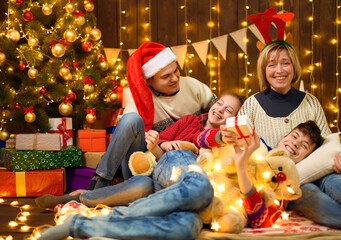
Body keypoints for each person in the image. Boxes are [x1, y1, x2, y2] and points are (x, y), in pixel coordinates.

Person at [37, 93, 245, 240]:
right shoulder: (190, 121)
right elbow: (156, 148)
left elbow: (209, 140)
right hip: (158, 166)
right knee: (132, 119)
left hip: (166, 191)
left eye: (229, 110)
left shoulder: (224, 142)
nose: (220, 110)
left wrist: (222, 137)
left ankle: (83, 212)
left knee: (185, 229)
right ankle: (96, 184)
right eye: (220, 103)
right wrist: (160, 144)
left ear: (234, 119)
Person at [240, 8, 341, 229]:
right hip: (289, 183)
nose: (279, 70)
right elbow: (241, 148)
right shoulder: (251, 105)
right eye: (272, 64)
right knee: (312, 197)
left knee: (337, 182)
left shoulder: (311, 101)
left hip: (319, 172)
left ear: (293, 67)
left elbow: (326, 142)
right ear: (264, 70)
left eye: (285, 63)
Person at [88, 42, 215, 190]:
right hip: (147, 164)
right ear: (149, 80)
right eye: (166, 76)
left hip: (187, 161)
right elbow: (123, 140)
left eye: (176, 71)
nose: (174, 78)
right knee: (130, 119)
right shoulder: (139, 102)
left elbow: (218, 113)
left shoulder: (194, 86)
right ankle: (99, 180)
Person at [233, 121, 325, 228]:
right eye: (294, 136)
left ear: (306, 158)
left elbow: (262, 220)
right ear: (284, 137)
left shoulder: (286, 182)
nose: (295, 143)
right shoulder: (259, 145)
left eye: (304, 145)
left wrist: (241, 168)